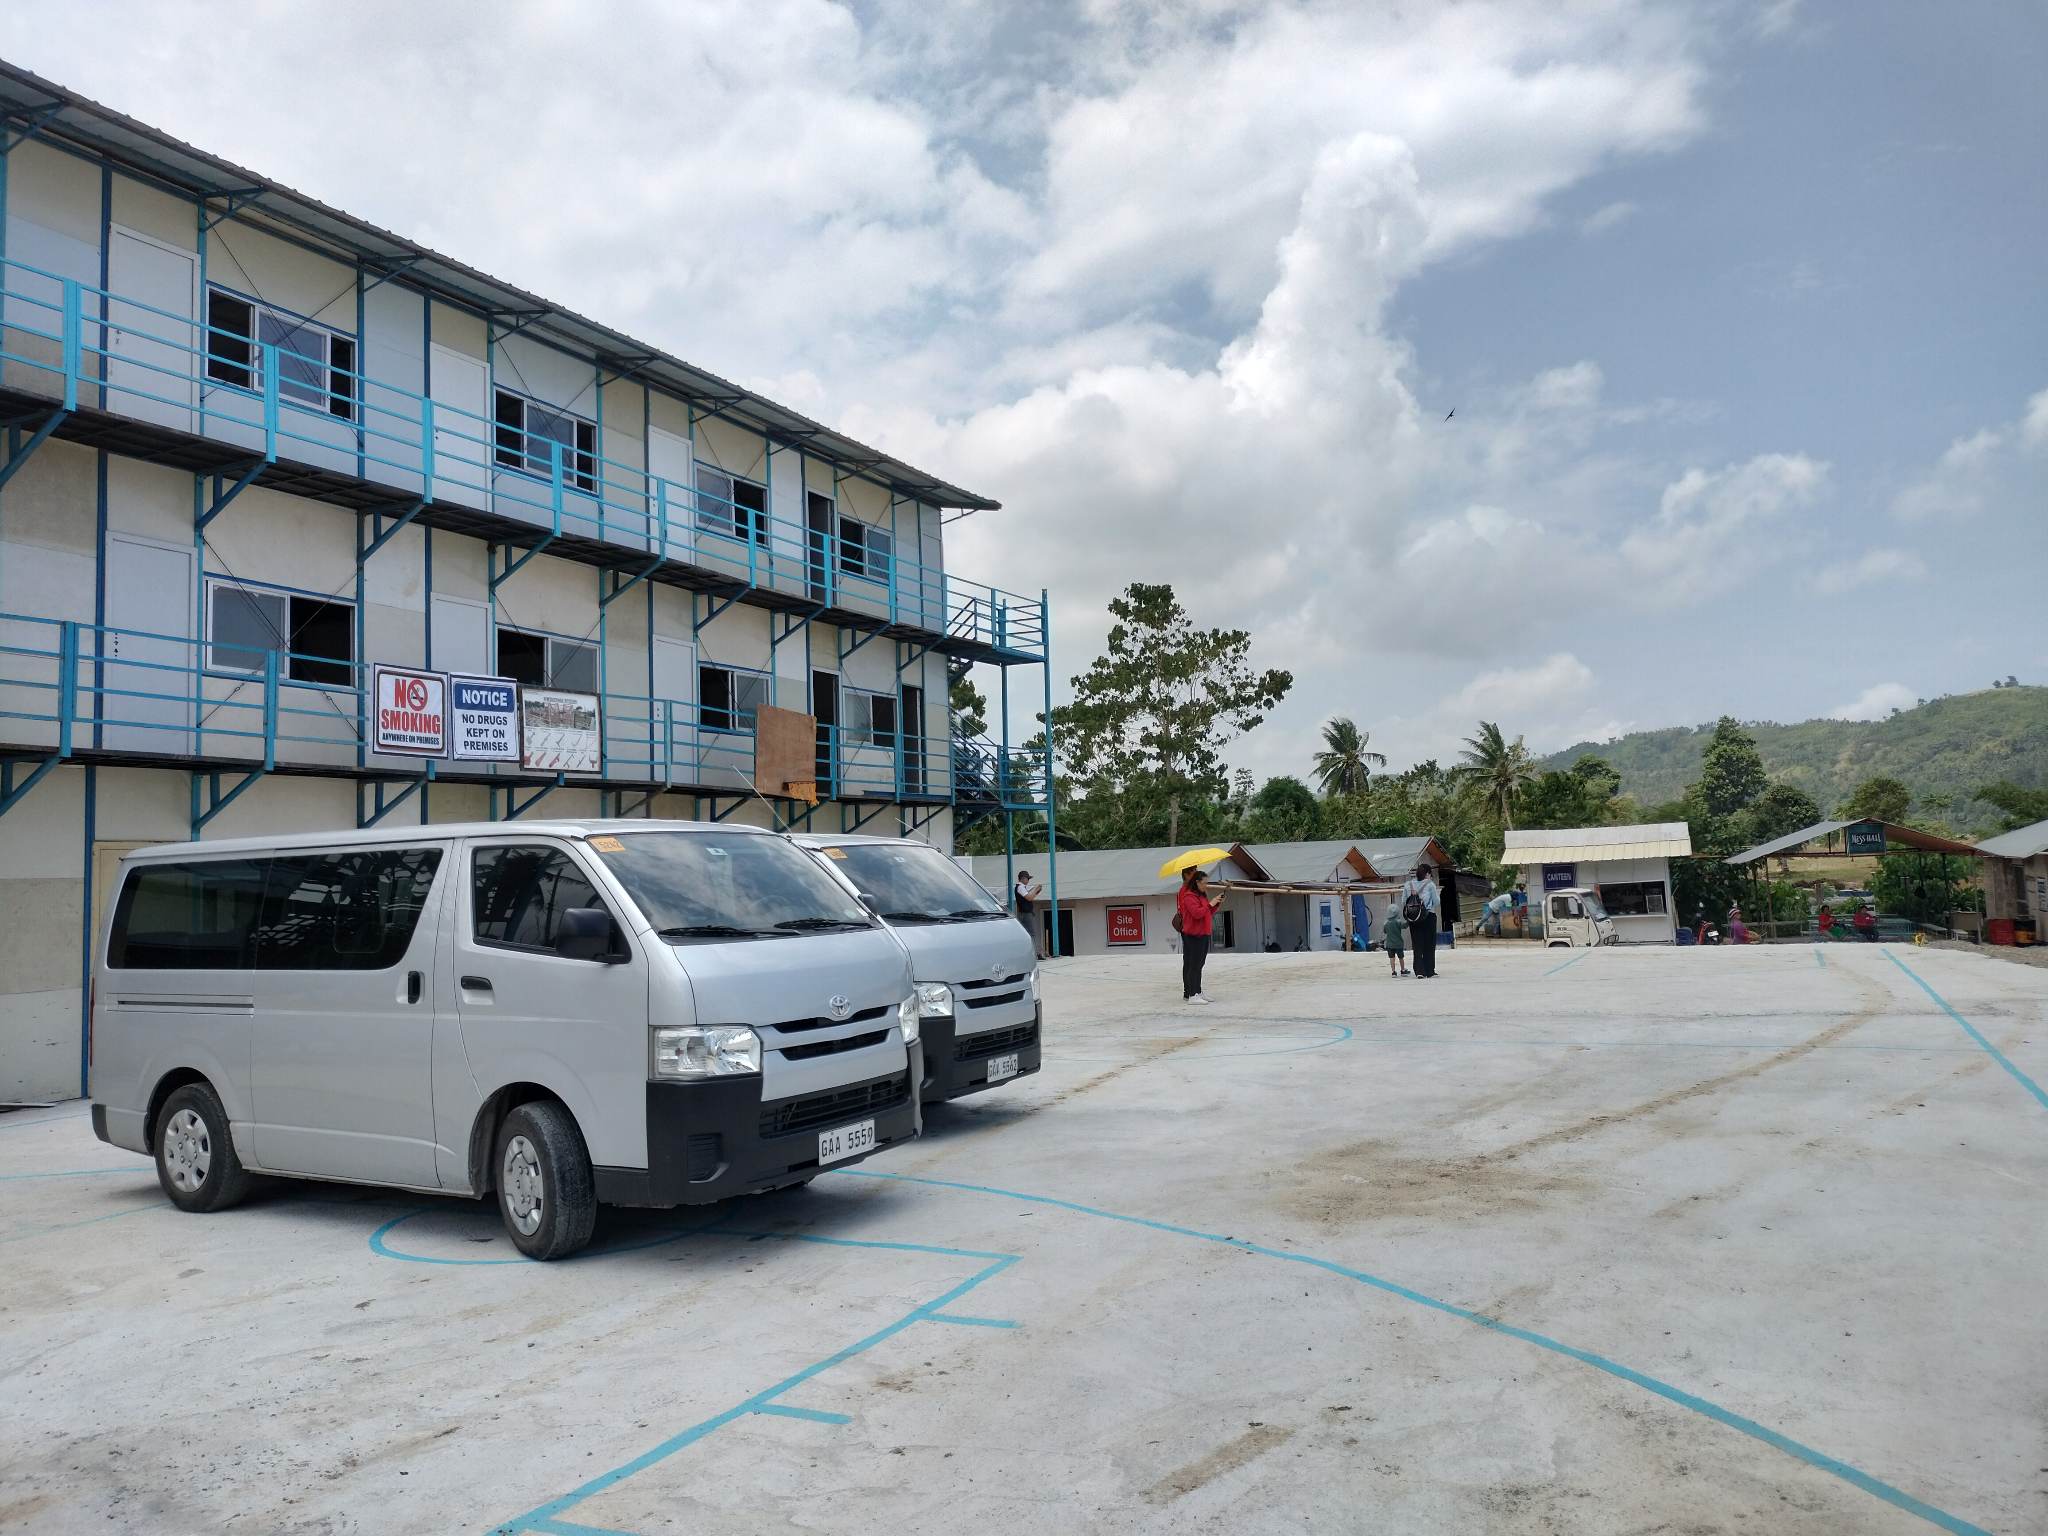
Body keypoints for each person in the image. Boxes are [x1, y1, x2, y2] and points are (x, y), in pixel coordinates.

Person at [1177, 868, 1225, 1004]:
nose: (1206, 885)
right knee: (1194, 964)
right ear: (1197, 882)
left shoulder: (1201, 896)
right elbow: (1197, 913)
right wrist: (1210, 904)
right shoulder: (1189, 896)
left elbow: (1207, 912)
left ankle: (1197, 991)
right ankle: (1192, 994)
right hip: (1194, 934)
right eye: (1204, 883)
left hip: (1204, 933)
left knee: (1199, 964)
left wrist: (1216, 903)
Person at [1402, 863, 1441, 978]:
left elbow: (1404, 902)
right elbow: (1436, 902)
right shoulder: (1430, 885)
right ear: (1428, 874)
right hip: (1428, 916)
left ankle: (1419, 971)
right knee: (1429, 944)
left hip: (1413, 918)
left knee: (1417, 944)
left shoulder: (1408, 885)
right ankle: (1429, 971)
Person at [1014, 870, 1045, 958]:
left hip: (1024, 913)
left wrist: (1036, 891)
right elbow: (1029, 897)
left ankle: (1031, 953)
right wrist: (1036, 888)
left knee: (1026, 934)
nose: (1028, 881)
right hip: (1025, 914)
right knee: (1032, 934)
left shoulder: (1021, 888)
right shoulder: (1020, 887)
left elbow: (1030, 897)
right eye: (1028, 879)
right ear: (1023, 878)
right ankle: (1036, 953)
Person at [1383, 894, 1409, 977]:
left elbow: (1385, 931)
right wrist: (1409, 920)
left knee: (1392, 958)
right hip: (1398, 944)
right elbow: (1405, 926)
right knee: (1401, 957)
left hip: (1389, 944)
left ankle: (1393, 972)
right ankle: (1403, 970)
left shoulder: (1386, 923)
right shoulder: (1398, 922)